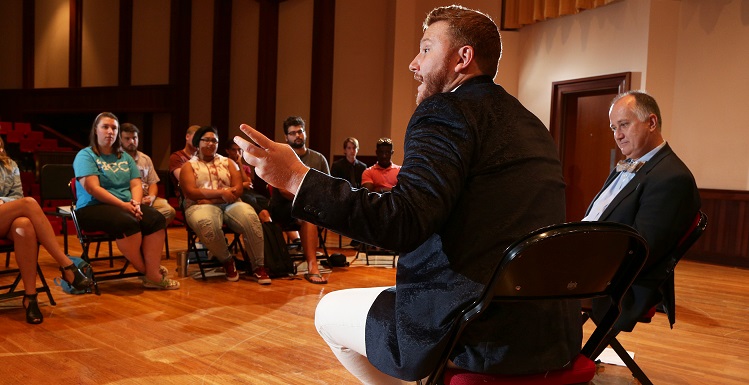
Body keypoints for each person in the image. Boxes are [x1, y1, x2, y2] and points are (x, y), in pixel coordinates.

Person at [235, 5, 579, 383]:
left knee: (329, 311)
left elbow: (402, 223)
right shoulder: (529, 122)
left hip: (475, 329)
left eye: (427, 49)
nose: (414, 63)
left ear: (463, 58)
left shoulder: (445, 111)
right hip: (547, 330)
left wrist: (298, 178)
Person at [583, 90, 701, 331]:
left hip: (618, 283)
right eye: (614, 128)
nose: (617, 135)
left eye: (624, 125)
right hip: (590, 262)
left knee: (534, 285)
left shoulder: (672, 177)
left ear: (651, 122)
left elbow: (641, 248)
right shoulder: (626, 165)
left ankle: (553, 359)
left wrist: (582, 262)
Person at [73, 112, 179, 290]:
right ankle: (150, 272)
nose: (110, 131)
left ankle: (151, 272)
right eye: (105, 127)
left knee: (156, 219)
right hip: (93, 207)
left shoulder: (125, 157)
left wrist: (136, 204)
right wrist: (123, 205)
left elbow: (136, 185)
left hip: (127, 206)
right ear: (95, 130)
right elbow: (93, 188)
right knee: (127, 222)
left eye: (114, 128)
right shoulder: (86, 155)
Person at [1, 137, 92, 324]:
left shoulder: (10, 165)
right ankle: (67, 266)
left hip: (3, 217)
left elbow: (16, 196)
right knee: (29, 204)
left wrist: (3, 202)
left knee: (25, 226)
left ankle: (30, 297)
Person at [179, 126, 270, 284]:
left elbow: (239, 189)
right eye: (206, 140)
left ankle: (258, 267)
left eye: (214, 140)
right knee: (206, 223)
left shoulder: (228, 162)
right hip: (198, 205)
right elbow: (191, 193)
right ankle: (227, 261)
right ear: (197, 143)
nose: (211, 143)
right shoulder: (189, 166)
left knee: (250, 218)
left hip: (230, 203)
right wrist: (221, 193)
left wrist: (213, 199)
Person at [268, 116, 330, 285]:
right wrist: (308, 197)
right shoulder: (280, 158)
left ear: (305, 133)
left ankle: (312, 265)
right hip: (282, 208)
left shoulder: (318, 159)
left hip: (311, 205)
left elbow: (327, 187)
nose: (298, 136)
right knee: (307, 212)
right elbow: (283, 191)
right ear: (286, 137)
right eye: (293, 133)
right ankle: (312, 268)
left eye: (300, 131)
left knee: (310, 211)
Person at [120, 123, 176, 225]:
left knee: (169, 210)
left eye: (134, 138)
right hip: (128, 200)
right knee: (137, 216)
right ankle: (143, 233)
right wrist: (138, 200)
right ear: (120, 140)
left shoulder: (145, 159)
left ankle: (146, 233)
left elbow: (153, 183)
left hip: (147, 199)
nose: (132, 141)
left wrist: (151, 197)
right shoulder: (116, 159)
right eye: (127, 138)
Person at [225, 141, 272, 223]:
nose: (237, 153)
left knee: (265, 201)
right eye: (234, 150)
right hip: (236, 193)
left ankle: (267, 221)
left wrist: (239, 164)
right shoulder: (224, 164)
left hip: (248, 191)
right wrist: (242, 185)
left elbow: (248, 182)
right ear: (227, 151)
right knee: (250, 199)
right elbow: (227, 185)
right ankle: (263, 216)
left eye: (239, 150)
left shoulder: (245, 167)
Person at [169, 124, 201, 197]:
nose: (198, 141)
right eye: (195, 138)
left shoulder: (203, 157)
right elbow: (185, 180)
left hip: (205, 192)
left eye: (200, 139)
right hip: (186, 196)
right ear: (187, 137)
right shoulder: (177, 157)